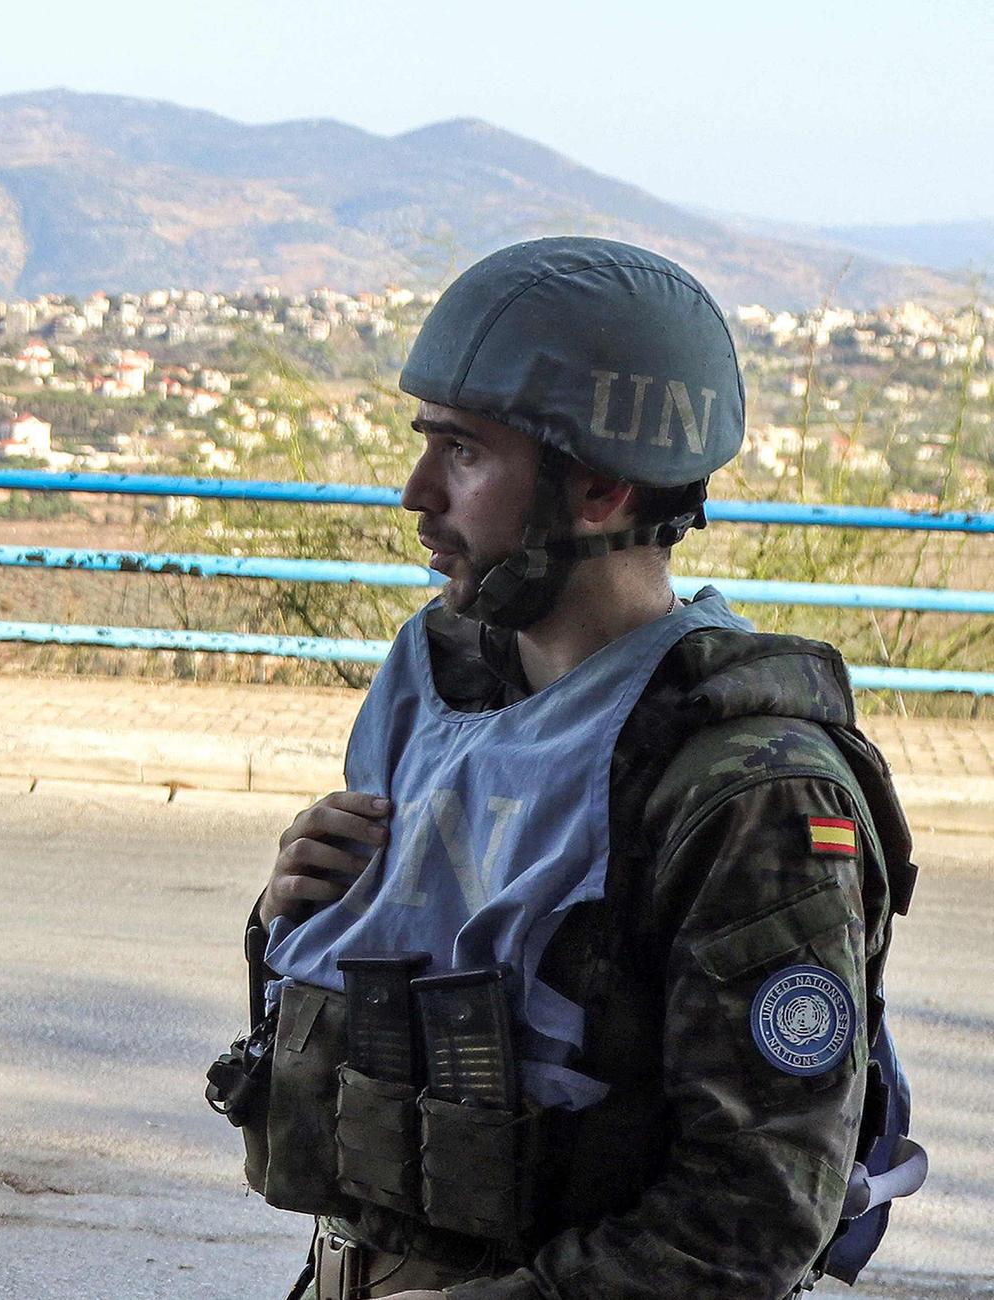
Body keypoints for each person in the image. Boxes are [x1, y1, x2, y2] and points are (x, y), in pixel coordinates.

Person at [217, 237, 924, 1299]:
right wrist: (289, 921)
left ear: (597, 489)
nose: (415, 493)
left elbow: (749, 1219)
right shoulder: (441, 692)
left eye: (460, 452)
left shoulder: (746, 787)